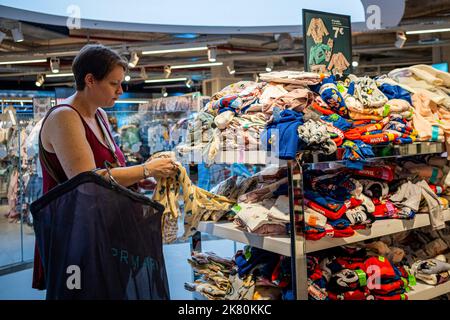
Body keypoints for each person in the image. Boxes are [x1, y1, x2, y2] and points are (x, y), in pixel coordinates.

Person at [32, 44, 178, 289]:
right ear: (90, 80)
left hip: (103, 230)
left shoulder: (98, 115)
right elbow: (90, 180)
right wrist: (146, 169)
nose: (120, 91)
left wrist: (140, 178)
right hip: (76, 235)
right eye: (114, 84)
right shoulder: (64, 117)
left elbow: (110, 167)